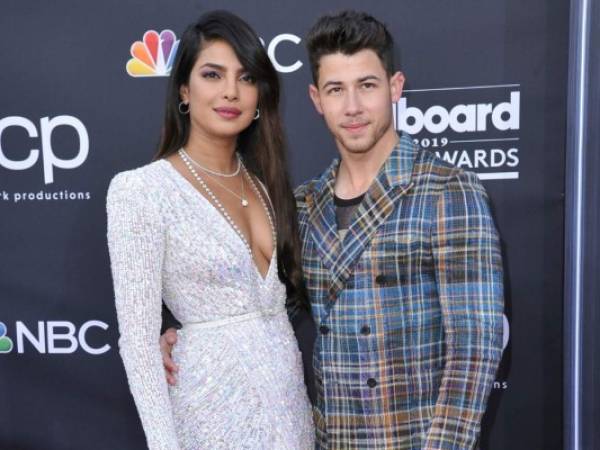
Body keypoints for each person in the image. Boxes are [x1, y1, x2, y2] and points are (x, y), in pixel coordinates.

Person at [162, 9, 504, 450]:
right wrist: (186, 338)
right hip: (328, 440)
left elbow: (474, 348)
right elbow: (265, 315)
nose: (353, 107)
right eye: (336, 89)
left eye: (367, 86)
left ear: (394, 88)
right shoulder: (304, 204)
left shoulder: (447, 190)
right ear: (316, 98)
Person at [106, 10, 314, 450]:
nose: (230, 92)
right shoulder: (141, 191)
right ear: (184, 89)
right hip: (208, 417)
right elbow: (140, 344)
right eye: (212, 74)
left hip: (289, 416)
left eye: (246, 77)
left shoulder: (269, 185)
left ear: (261, 94)